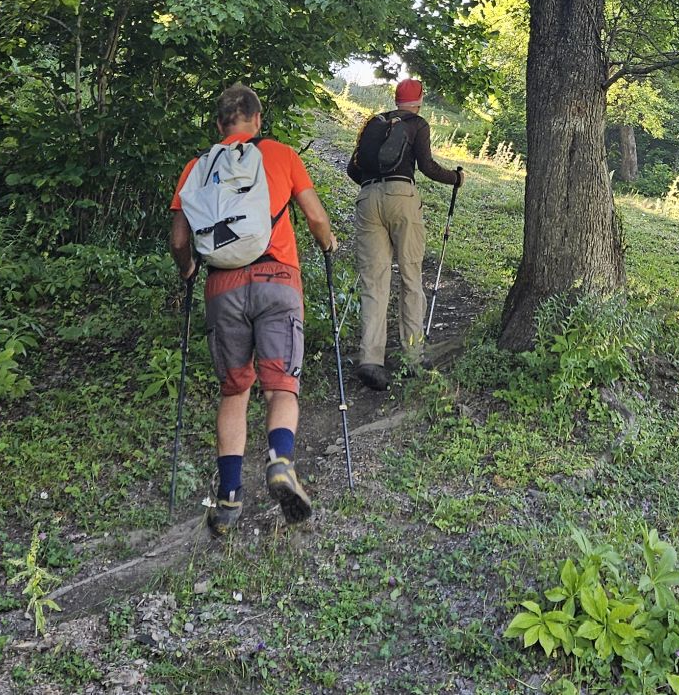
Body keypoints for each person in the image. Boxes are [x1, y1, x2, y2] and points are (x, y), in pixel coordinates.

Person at [169, 83, 337, 536]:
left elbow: (180, 240)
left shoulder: (196, 168)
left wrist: (188, 271)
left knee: (235, 391)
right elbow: (316, 217)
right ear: (257, 121)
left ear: (219, 124)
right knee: (281, 385)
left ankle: (227, 501)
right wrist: (327, 242)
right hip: (277, 279)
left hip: (222, 287)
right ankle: (281, 462)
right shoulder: (280, 155)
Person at [347, 78, 463, 390]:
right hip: (402, 197)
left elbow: (352, 169)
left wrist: (375, 185)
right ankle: (413, 355)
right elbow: (425, 165)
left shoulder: (375, 123)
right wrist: (455, 177)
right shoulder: (417, 124)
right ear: (419, 100)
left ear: (396, 99)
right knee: (411, 277)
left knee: (374, 282)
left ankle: (371, 360)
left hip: (368, 199)